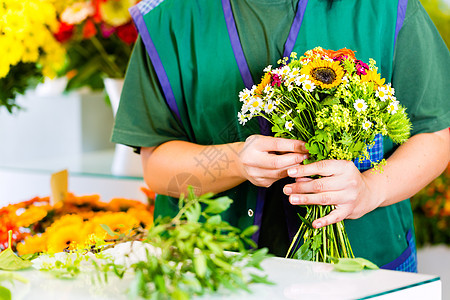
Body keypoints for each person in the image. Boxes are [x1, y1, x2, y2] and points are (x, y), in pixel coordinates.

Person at [112, 0, 450, 272]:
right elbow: (155, 165)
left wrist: (368, 191)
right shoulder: (170, 18)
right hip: (210, 268)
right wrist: (236, 162)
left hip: (368, 264)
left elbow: (435, 134)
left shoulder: (387, 8)